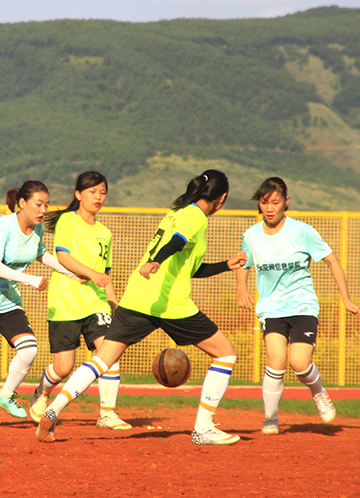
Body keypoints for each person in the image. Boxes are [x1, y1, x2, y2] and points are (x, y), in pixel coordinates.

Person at [36, 170, 247, 445]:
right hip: (168, 303)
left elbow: (189, 268)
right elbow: (176, 243)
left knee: (102, 360)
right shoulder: (196, 216)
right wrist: (157, 260)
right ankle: (203, 428)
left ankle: (53, 410)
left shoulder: (176, 212)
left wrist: (225, 265)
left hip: (136, 296)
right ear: (222, 198)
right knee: (225, 353)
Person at [236, 177, 360, 435]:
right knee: (276, 361)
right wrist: (242, 289)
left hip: (302, 306)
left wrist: (346, 298)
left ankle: (318, 392)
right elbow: (243, 262)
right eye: (264, 202)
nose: (269, 208)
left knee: (299, 363)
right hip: (271, 308)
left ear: (286, 202)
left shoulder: (303, 231)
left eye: (275, 202)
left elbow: (332, 261)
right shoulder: (251, 235)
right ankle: (270, 418)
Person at [0, 180, 77, 428]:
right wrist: (31, 280)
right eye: (38, 204)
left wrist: (73, 273)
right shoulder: (4, 225)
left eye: (46, 205)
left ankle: (5, 394)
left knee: (29, 349)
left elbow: (41, 254)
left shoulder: (37, 228)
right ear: (22, 203)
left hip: (8, 303)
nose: (43, 210)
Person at [29, 171, 131, 431]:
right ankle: (41, 393)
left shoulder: (105, 233)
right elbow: (63, 257)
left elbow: (104, 274)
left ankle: (107, 413)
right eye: (92, 192)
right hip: (65, 302)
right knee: (63, 367)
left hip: (96, 303)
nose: (98, 197)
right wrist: (91, 273)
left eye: (103, 192)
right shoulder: (67, 220)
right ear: (78, 194)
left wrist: (113, 303)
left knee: (110, 353)